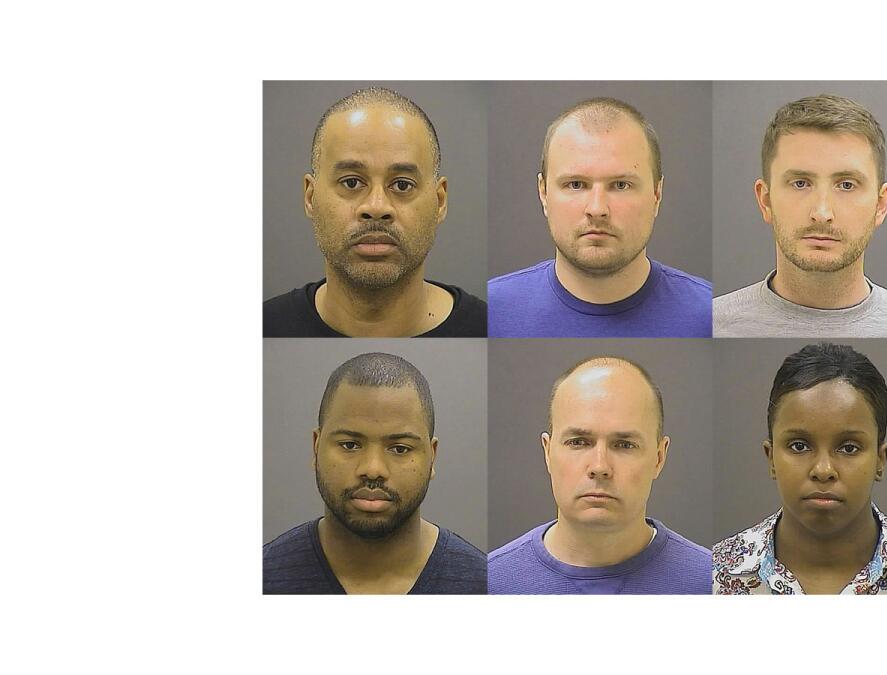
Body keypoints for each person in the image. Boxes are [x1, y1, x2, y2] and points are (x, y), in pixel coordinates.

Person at [712, 343, 887, 594]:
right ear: (771, 457)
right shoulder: (715, 574)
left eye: (849, 448)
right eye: (799, 446)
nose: (823, 470)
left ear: (880, 460)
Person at [264, 87, 487, 337]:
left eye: (402, 185)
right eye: (351, 182)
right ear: (310, 197)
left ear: (440, 201)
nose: (377, 207)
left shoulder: (489, 326)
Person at [713, 95, 887, 337]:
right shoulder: (711, 324)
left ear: (880, 204)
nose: (821, 213)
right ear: (765, 200)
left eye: (847, 185)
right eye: (800, 183)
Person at [488, 97, 711, 337]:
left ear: (657, 194)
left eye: (621, 185)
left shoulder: (709, 316)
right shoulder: (491, 312)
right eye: (575, 184)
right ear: (543, 192)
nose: (597, 208)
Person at [263, 353, 486, 594]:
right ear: (316, 448)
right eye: (350, 445)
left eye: (400, 449)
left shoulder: (484, 584)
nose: (373, 469)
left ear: (432, 456)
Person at [488, 356, 711, 594]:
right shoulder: (491, 583)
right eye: (579, 442)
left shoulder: (710, 581)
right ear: (547, 451)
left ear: (659, 457)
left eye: (624, 445)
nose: (599, 466)